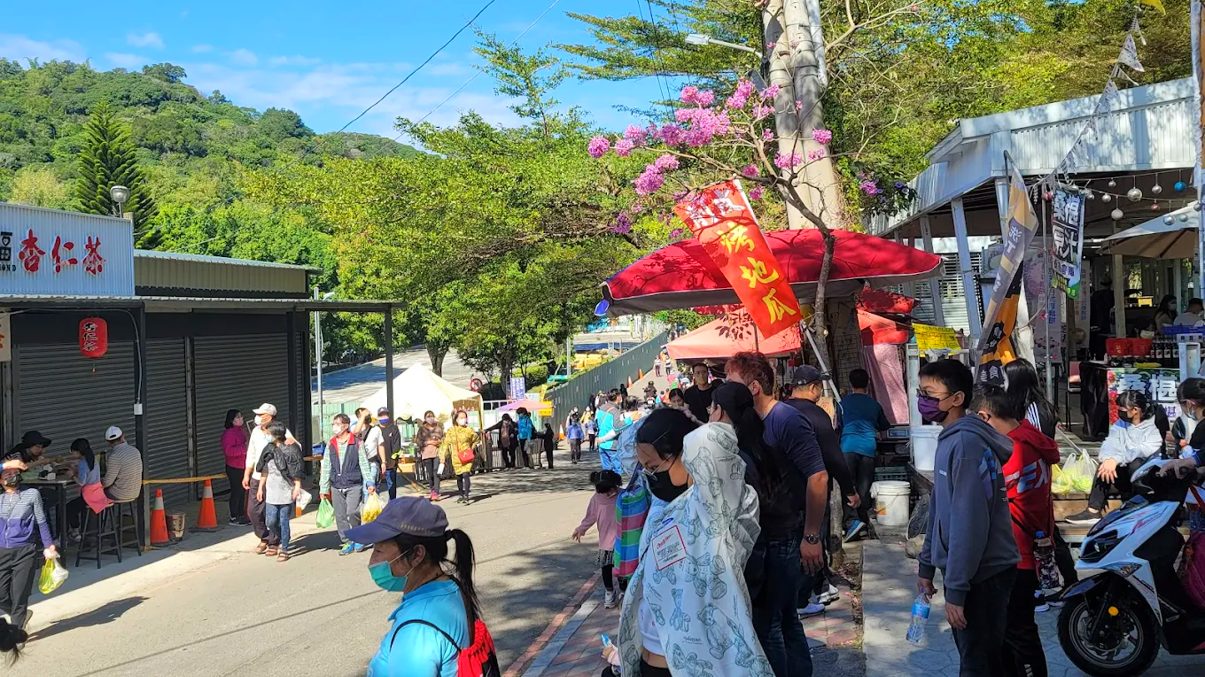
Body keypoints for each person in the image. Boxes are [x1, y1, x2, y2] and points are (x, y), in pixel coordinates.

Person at [611, 408, 772, 677]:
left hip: (695, 665)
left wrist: (690, 427)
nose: (650, 476)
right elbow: (627, 448)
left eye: (654, 467)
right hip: (650, 657)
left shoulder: (716, 506)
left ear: (686, 456)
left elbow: (710, 441)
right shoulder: (664, 506)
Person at [725, 352, 828, 677]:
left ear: (754, 387)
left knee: (771, 623)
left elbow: (819, 476)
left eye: (733, 384)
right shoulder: (751, 424)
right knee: (784, 619)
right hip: (767, 537)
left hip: (786, 536)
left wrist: (811, 535)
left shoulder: (785, 419)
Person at [915, 359, 1019, 677]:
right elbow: (940, 510)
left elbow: (968, 524)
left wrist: (957, 591)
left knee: (978, 665)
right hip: (970, 571)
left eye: (931, 394)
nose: (924, 400)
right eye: (921, 392)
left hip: (983, 576)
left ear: (957, 398)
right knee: (986, 659)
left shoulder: (966, 445)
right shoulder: (951, 439)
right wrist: (926, 565)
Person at [347, 497, 497, 677]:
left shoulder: (417, 631)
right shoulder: (449, 586)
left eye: (379, 551)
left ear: (417, 554)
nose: (372, 562)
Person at [972, 385, 1057, 677]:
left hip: (1014, 555)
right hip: (1030, 548)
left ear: (985, 416)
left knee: (1018, 632)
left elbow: (981, 499)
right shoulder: (1035, 439)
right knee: (1015, 631)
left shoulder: (1011, 450)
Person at [783, 365, 858, 616]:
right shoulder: (816, 415)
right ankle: (802, 599)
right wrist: (850, 490)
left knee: (794, 543)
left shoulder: (779, 412)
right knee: (812, 538)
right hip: (812, 491)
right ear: (814, 388)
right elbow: (834, 458)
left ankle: (817, 586)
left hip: (783, 493)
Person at [1003, 358, 1076, 593]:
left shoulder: (1034, 407)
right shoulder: (1023, 404)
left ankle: (1060, 581)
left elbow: (1038, 441)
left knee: (1042, 531)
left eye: (1006, 378)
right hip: (1028, 471)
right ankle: (1052, 581)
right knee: (1039, 530)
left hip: (1033, 472)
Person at [1065, 390, 1168, 525]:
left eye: (1123, 408)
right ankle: (1093, 511)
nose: (1120, 411)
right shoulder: (1121, 423)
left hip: (1148, 476)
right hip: (1125, 474)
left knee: (1136, 463)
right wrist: (1109, 459)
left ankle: (1139, 504)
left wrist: (1116, 459)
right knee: (1105, 465)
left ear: (1135, 410)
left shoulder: (1155, 425)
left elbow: (1142, 450)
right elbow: (1111, 442)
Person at [0, 460, 58, 632]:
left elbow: (41, 521)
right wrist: (6, 464)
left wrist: (49, 545)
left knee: (19, 596)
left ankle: (17, 634)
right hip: (2, 552)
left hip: (25, 551)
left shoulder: (32, 494)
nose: (11, 475)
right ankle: (22, 614)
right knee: (1, 595)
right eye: (7, 474)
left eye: (14, 472)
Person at [838, 368, 890, 542]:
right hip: (868, 448)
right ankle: (863, 521)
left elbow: (837, 424)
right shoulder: (874, 405)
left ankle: (852, 522)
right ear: (868, 383)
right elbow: (884, 425)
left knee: (848, 486)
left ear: (851, 383)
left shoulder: (843, 403)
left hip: (847, 448)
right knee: (864, 487)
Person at [242, 403, 294, 555]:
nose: (258, 418)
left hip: (275, 480)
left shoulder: (281, 431)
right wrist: (247, 473)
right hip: (258, 477)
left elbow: (295, 448)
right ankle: (264, 536)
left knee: (272, 514)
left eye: (261, 415)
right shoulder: (256, 432)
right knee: (253, 511)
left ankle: (274, 541)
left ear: (270, 416)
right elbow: (251, 453)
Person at [321, 413, 375, 555]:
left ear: (345, 425)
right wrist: (323, 487)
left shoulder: (357, 442)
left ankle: (358, 537)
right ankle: (347, 541)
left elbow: (364, 463)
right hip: (336, 484)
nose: (334, 427)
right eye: (333, 424)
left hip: (353, 484)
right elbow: (326, 466)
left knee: (352, 512)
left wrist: (369, 482)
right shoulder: (331, 444)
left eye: (337, 424)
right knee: (340, 516)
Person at [571, 470, 621, 608]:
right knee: (607, 569)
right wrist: (581, 529)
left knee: (621, 569)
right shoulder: (596, 499)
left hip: (621, 541)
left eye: (610, 489)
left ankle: (622, 592)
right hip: (607, 542)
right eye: (603, 491)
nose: (607, 493)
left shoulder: (623, 495)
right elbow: (590, 516)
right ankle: (610, 593)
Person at [255, 422, 303, 562]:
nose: (267, 436)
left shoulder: (291, 449)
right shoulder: (268, 449)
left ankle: (285, 547)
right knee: (271, 521)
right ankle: (278, 538)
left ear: (276, 435)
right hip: (271, 491)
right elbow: (264, 470)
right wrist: (260, 488)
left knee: (284, 520)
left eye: (269, 433)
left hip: (286, 490)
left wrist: (297, 486)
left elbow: (296, 469)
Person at [64, 438, 103, 541]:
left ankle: (71, 533)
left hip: (88, 496)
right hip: (98, 494)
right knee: (73, 506)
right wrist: (75, 470)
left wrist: (72, 476)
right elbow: (87, 474)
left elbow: (81, 482)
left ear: (78, 451)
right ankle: (75, 532)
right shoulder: (93, 459)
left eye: (72, 451)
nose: (72, 454)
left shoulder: (83, 462)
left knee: (68, 508)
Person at [440, 410, 478, 504]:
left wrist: (471, 449)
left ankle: (466, 495)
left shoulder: (469, 430)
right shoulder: (451, 431)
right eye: (461, 417)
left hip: (466, 456)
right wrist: (442, 455)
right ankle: (461, 494)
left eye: (464, 417)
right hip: (456, 457)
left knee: (466, 474)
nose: (463, 419)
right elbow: (445, 444)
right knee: (459, 476)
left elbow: (476, 439)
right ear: (456, 419)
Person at [221, 409, 250, 525]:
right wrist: (244, 448)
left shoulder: (242, 431)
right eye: (238, 417)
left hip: (244, 466)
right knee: (236, 491)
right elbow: (228, 451)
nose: (241, 419)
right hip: (234, 467)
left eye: (241, 416)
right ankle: (234, 516)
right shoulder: (229, 434)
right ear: (232, 420)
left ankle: (241, 514)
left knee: (243, 491)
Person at [101, 426, 143, 503]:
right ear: (123, 436)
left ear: (108, 442)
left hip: (120, 494)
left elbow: (107, 483)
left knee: (94, 496)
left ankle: (104, 515)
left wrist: (98, 484)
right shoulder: (135, 451)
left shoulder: (114, 456)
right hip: (135, 492)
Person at [595, 390, 626, 475]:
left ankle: (607, 487)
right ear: (618, 397)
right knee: (617, 470)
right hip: (612, 445)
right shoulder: (615, 411)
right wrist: (629, 421)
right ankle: (615, 487)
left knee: (606, 471)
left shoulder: (601, 408)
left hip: (601, 444)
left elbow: (596, 423)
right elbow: (617, 427)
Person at [415, 412, 444, 500]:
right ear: (425, 418)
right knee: (430, 473)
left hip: (437, 453)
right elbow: (418, 441)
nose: (430, 418)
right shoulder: (422, 429)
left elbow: (443, 439)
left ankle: (437, 491)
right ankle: (432, 490)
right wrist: (428, 442)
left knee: (436, 472)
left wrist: (438, 442)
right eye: (428, 417)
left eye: (432, 416)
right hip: (426, 454)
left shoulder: (438, 428)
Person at [377, 408, 403, 500]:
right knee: (375, 487)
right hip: (377, 463)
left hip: (391, 464)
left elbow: (397, 445)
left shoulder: (394, 428)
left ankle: (392, 504)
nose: (384, 417)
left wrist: (393, 460)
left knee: (391, 486)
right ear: (378, 417)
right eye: (381, 415)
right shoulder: (375, 429)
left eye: (386, 415)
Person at [357, 408, 387, 487]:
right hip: (358, 464)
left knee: (369, 487)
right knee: (360, 490)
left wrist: (383, 462)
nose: (366, 417)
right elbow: (355, 433)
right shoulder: (355, 430)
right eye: (363, 415)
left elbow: (380, 446)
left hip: (372, 462)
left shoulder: (376, 429)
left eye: (368, 415)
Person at [1089, 277, 1115, 359]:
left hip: (1097, 324)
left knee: (1098, 346)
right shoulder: (1112, 295)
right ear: (1110, 284)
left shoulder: (1095, 295)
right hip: (1109, 325)